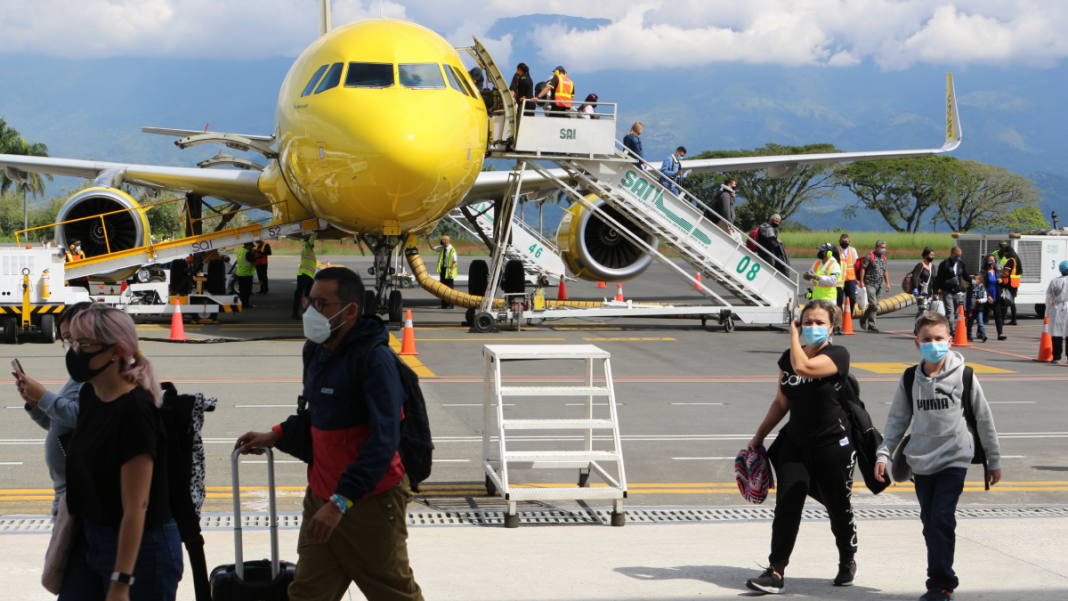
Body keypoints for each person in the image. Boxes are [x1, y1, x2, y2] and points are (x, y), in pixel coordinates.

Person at [235, 267, 424, 601]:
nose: (310, 310)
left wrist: (340, 503)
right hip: (322, 497)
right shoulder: (316, 350)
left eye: (321, 303)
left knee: (394, 594)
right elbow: (320, 413)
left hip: (367, 504)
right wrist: (276, 434)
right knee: (307, 594)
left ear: (350, 311)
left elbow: (383, 442)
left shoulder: (375, 360)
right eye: (309, 301)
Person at [874, 311, 1002, 601]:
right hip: (921, 460)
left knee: (942, 518)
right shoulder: (910, 378)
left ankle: (941, 584)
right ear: (917, 343)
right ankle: (939, 573)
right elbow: (897, 421)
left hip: (955, 458)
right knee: (929, 522)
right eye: (927, 339)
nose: (933, 344)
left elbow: (984, 419)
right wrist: (883, 455)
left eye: (939, 338)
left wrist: (993, 461)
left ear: (950, 340)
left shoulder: (964, 375)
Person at [60, 306, 183, 600]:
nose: (74, 352)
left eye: (83, 344)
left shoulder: (134, 410)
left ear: (115, 352)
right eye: (71, 342)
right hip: (91, 538)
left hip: (140, 550)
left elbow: (136, 505)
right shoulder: (90, 394)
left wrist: (121, 581)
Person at [744, 299, 857, 594]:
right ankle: (776, 571)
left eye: (820, 322)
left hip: (832, 446)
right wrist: (759, 437)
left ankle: (847, 558)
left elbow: (803, 367)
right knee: (787, 505)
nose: (813, 327)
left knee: (838, 507)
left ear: (832, 327)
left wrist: (794, 335)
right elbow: (781, 402)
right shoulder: (788, 358)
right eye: (807, 322)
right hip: (796, 444)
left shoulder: (838, 355)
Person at [15, 301, 94, 515]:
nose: (71, 347)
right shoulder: (79, 376)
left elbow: (84, 417)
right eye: (67, 341)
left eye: (74, 339)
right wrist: (36, 403)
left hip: (79, 492)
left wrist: (43, 396)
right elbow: (59, 422)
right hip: (66, 491)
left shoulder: (95, 379)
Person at [934, 246, 970, 337]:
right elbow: (938, 279)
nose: (957, 258)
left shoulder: (961, 264)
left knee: (956, 313)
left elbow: (966, 276)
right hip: (947, 291)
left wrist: (973, 281)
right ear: (951, 254)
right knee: (950, 312)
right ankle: (952, 331)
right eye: (956, 256)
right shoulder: (944, 264)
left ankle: (951, 328)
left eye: (959, 256)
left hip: (958, 292)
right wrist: (935, 291)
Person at [857, 240, 890, 333]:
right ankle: (863, 319)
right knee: (873, 304)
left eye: (884, 247)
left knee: (875, 306)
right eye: (881, 247)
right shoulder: (869, 257)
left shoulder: (884, 258)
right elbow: (863, 269)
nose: (883, 249)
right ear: (877, 247)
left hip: (879, 284)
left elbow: (885, 271)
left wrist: (887, 283)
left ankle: (871, 325)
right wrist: (862, 281)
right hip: (870, 283)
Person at [979, 253, 1006, 340]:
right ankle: (980, 332)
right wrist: (988, 296)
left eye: (993, 260)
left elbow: (1003, 284)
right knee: (984, 315)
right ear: (986, 261)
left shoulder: (997, 272)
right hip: (987, 297)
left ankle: (1000, 334)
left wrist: (1001, 281)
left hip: (996, 297)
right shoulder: (983, 272)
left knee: (998, 316)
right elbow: (982, 285)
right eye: (990, 260)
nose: (992, 262)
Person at [995, 241, 1022, 325]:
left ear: (1008, 252)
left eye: (1006, 252)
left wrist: (1000, 270)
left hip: (1009, 283)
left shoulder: (1010, 261)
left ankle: (1003, 319)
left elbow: (1006, 272)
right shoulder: (1016, 260)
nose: (1005, 254)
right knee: (1012, 302)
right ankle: (1013, 320)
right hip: (1015, 283)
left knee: (1005, 301)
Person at [292, 233, 318, 320]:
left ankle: (306, 313)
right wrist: (316, 232)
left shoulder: (311, 252)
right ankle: (295, 313)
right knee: (299, 294)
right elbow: (311, 241)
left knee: (307, 296)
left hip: (309, 276)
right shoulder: (306, 248)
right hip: (303, 274)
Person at [1046, 260, 1068, 362]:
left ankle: (1056, 356)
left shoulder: (1055, 281)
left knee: (1056, 332)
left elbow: (1049, 297)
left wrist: (1047, 310)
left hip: (1057, 307)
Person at [430, 235, 458, 309]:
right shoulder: (442, 248)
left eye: (442, 241)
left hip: (449, 271)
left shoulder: (452, 250)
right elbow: (433, 248)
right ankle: (444, 304)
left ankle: (450, 304)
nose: (441, 242)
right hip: (443, 270)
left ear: (446, 241)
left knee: (449, 288)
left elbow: (454, 262)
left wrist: (451, 272)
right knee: (442, 287)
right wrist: (428, 239)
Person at [836, 234, 858, 312]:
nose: (844, 242)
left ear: (849, 241)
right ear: (839, 241)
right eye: (842, 241)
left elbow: (856, 264)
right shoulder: (836, 250)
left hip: (851, 279)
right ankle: (839, 316)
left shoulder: (853, 250)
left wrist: (858, 278)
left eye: (846, 241)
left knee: (852, 299)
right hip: (839, 280)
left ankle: (849, 315)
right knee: (838, 300)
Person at [965, 273, 988, 343]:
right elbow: (965, 299)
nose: (973, 280)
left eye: (975, 279)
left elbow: (985, 298)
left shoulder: (982, 288)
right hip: (971, 309)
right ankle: (969, 335)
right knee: (970, 322)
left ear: (979, 281)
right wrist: (965, 308)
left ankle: (983, 335)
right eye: (973, 279)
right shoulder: (969, 288)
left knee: (980, 322)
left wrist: (980, 300)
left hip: (979, 309)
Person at [235, 242, 258, 309]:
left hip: (239, 272)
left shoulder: (240, 251)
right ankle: (245, 303)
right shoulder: (248, 252)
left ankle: (242, 302)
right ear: (249, 245)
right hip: (246, 273)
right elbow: (253, 262)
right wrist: (254, 255)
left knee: (242, 289)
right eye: (252, 246)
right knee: (247, 290)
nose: (252, 248)